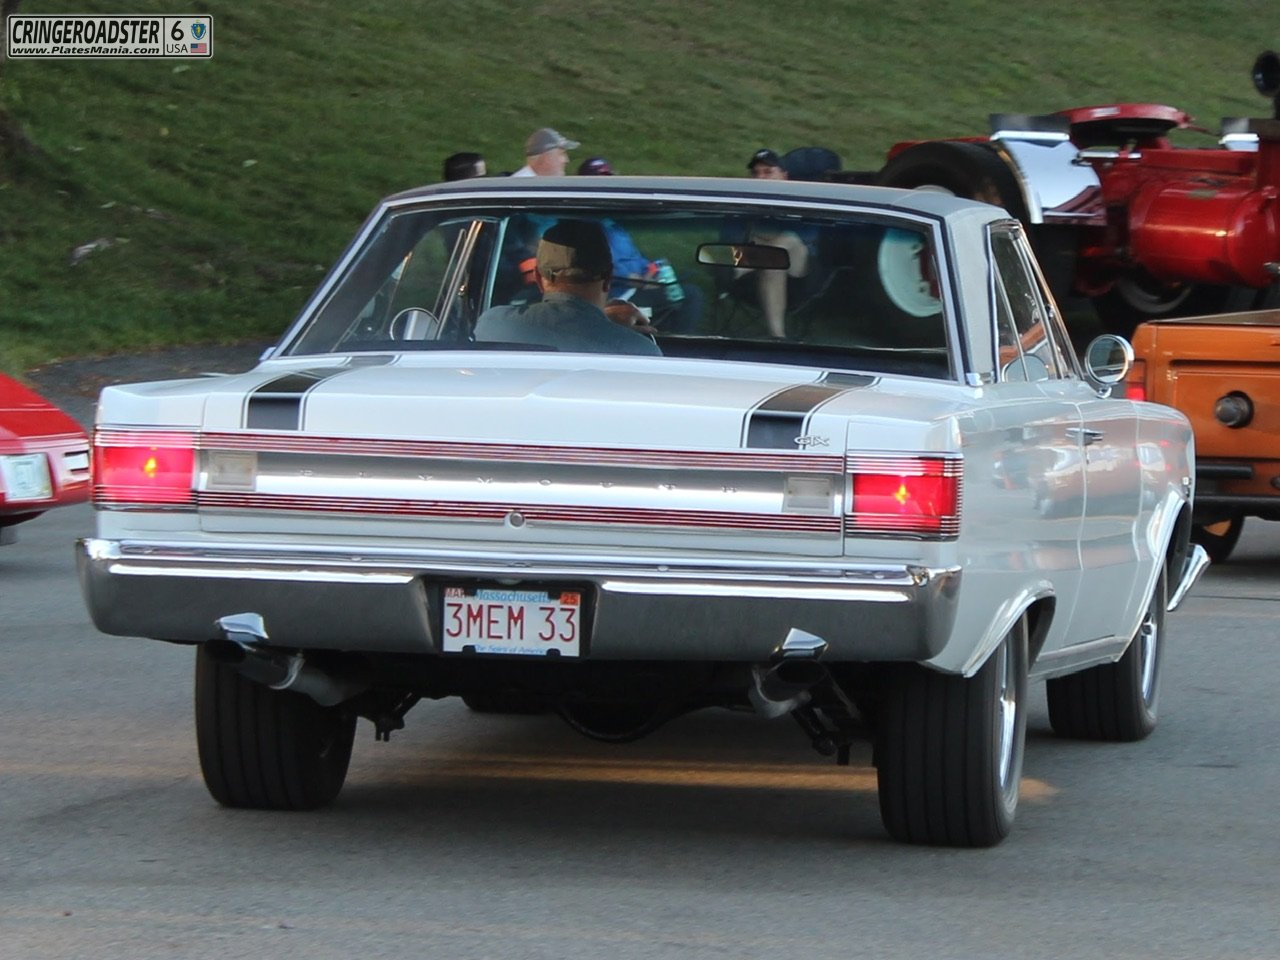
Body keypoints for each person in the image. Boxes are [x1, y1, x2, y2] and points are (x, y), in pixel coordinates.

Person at [475, 219, 661, 356]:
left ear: (539, 279)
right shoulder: (641, 351)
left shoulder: (492, 324)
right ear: (608, 279)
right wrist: (605, 323)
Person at [575, 156, 704, 335]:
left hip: (640, 283)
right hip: (621, 294)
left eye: (608, 179)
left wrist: (653, 269)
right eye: (599, 179)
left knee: (680, 283)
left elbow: (635, 257)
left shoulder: (614, 223)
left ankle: (666, 338)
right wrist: (638, 280)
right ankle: (681, 345)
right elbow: (593, 267)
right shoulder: (586, 226)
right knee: (691, 294)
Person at [737, 148, 813, 336]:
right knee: (774, 263)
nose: (760, 178)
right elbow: (732, 241)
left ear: (784, 176)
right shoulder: (741, 206)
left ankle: (736, 270)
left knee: (788, 240)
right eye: (756, 173)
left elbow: (808, 238)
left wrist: (761, 239)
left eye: (768, 172)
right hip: (760, 273)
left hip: (801, 274)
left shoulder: (803, 202)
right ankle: (778, 337)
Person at [512, 128, 579, 177]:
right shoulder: (522, 187)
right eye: (561, 154)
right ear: (546, 158)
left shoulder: (540, 185)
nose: (566, 160)